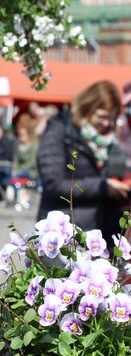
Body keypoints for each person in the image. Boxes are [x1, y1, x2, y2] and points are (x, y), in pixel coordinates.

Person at [37, 80, 129, 241]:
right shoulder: (59, 130)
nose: (106, 123)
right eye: (101, 116)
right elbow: (54, 183)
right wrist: (102, 187)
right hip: (62, 233)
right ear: (86, 108)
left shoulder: (109, 140)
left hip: (98, 232)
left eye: (111, 118)